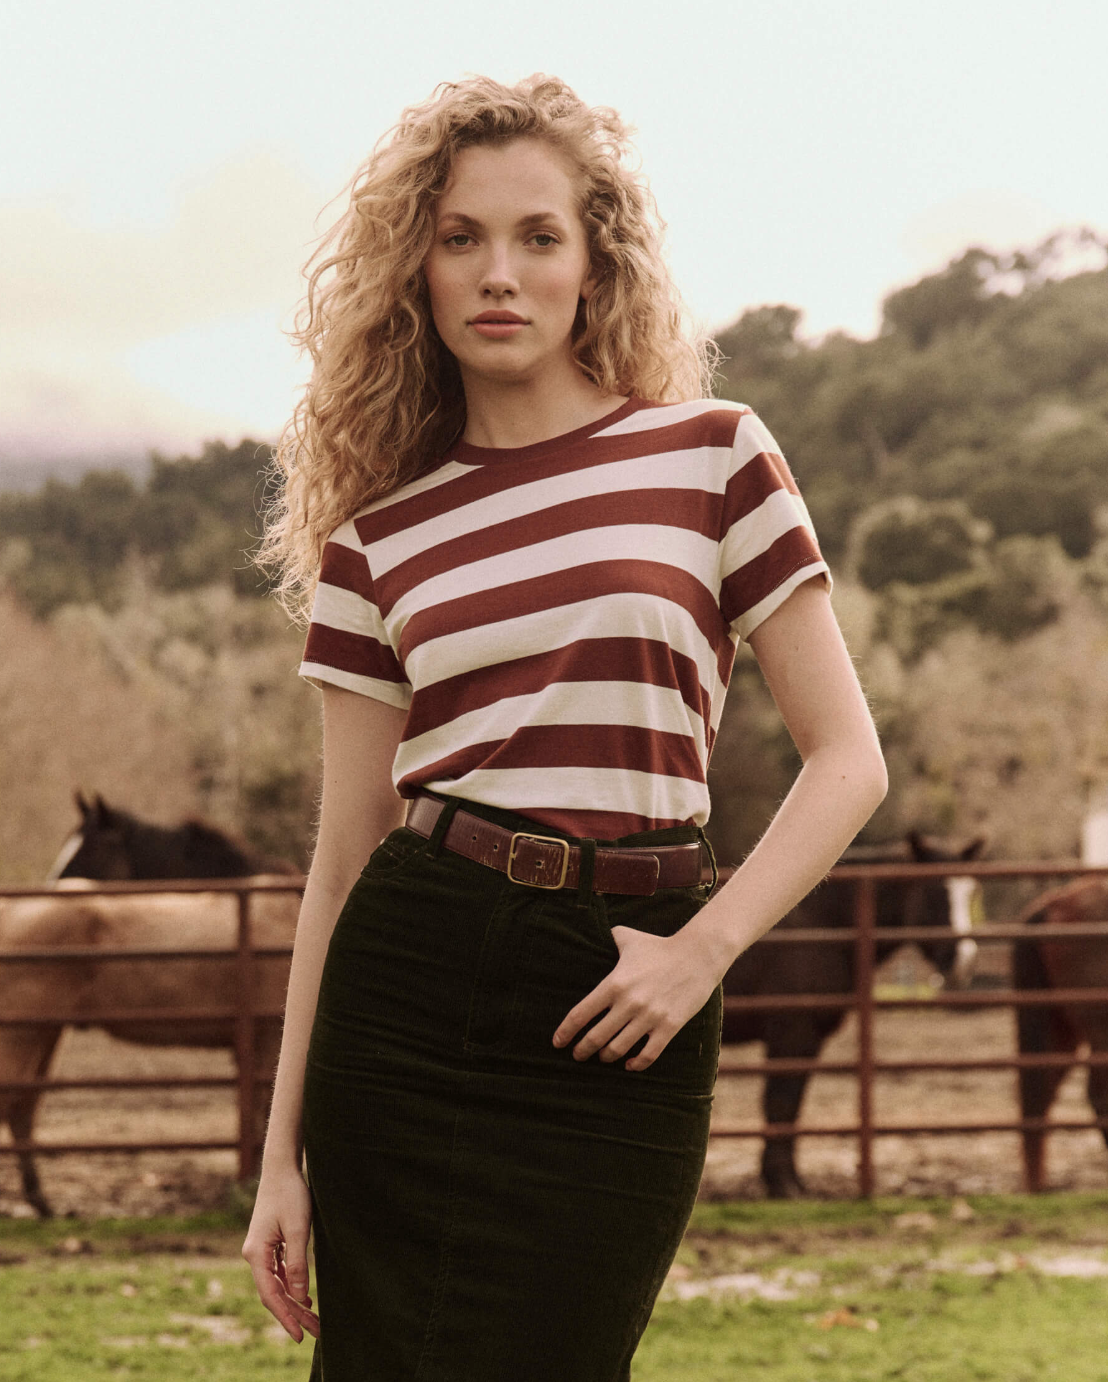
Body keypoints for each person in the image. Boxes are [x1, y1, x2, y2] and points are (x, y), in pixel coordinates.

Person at [242, 73, 887, 1381]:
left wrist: (698, 951)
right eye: (460, 237)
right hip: (412, 983)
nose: (500, 273)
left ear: (595, 266)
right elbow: (348, 848)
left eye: (539, 237)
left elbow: (848, 759)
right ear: (414, 271)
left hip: (629, 990)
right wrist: (279, 1158)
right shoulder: (377, 541)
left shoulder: (713, 456)